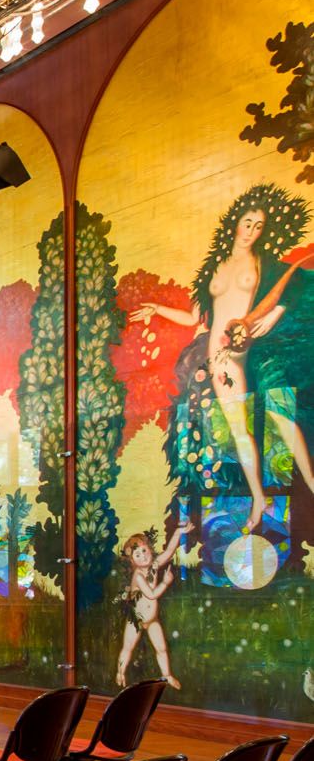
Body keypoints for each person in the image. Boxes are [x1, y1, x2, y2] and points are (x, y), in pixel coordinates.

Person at [133, 185, 314, 522]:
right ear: (235, 223)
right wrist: (157, 308)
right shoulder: (213, 269)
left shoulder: (264, 264)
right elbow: (193, 318)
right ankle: (259, 498)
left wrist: (274, 314)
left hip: (250, 347)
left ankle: (311, 480)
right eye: (247, 223)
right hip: (220, 355)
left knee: (279, 415)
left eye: (258, 226)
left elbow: (289, 287)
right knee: (237, 427)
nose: (251, 232)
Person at [116, 525, 187, 689]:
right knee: (128, 648)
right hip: (136, 620)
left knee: (161, 648)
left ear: (150, 549)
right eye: (137, 555)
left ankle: (167, 675)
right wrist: (165, 582)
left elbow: (169, 552)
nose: (142, 556)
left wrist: (178, 531)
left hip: (152, 619)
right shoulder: (138, 576)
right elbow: (152, 594)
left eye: (144, 550)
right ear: (132, 561)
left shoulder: (154, 565)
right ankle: (120, 672)